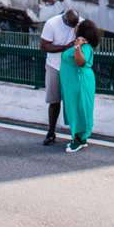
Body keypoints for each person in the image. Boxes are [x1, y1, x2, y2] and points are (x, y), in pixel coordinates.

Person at [39, 8, 80, 145]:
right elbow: (44, 46)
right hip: (54, 66)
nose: (73, 27)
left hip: (72, 68)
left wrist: (79, 33)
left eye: (75, 24)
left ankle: (77, 135)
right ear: (65, 19)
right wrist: (64, 47)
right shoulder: (52, 24)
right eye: (71, 25)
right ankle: (51, 132)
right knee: (54, 101)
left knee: (74, 102)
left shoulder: (80, 23)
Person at [59, 19, 100, 153]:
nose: (76, 26)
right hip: (72, 82)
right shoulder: (78, 44)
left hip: (79, 81)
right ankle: (81, 138)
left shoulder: (84, 47)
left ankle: (76, 140)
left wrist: (77, 47)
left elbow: (80, 62)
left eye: (78, 26)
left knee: (76, 107)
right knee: (75, 107)